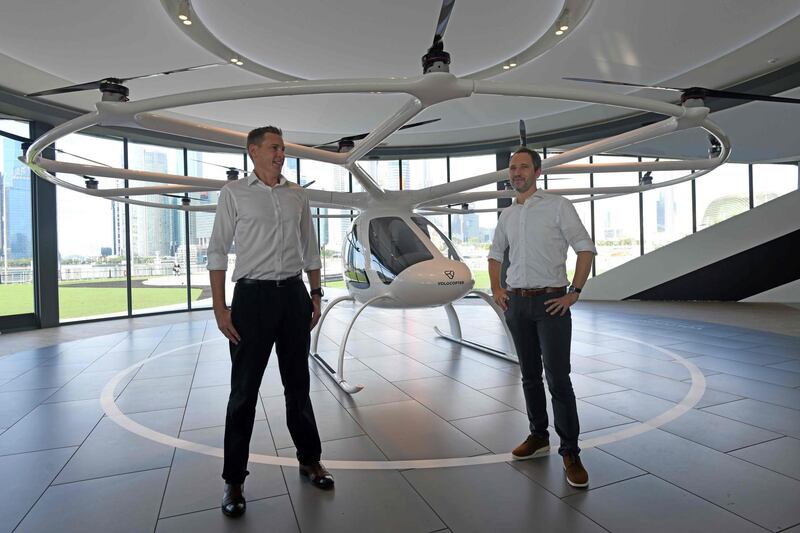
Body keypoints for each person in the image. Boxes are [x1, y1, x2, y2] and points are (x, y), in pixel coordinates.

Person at [207, 125, 333, 519]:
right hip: (252, 298)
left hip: (293, 294)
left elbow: (309, 247)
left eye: (283, 148)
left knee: (298, 385)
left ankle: (310, 460)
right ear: (254, 151)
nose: (281, 154)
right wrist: (220, 308)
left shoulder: (297, 195)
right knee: (243, 393)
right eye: (274, 148)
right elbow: (216, 251)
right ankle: (234, 480)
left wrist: (314, 294)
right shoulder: (234, 194)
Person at [487, 147, 596, 488]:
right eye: (512, 167)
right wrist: (497, 289)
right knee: (530, 377)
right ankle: (538, 435)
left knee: (558, 378)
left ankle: (570, 451)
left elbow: (585, 247)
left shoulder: (558, 206)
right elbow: (494, 255)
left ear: (537, 171)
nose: (516, 172)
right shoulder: (507, 215)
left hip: (551, 303)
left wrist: (574, 292)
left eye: (523, 167)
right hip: (517, 305)